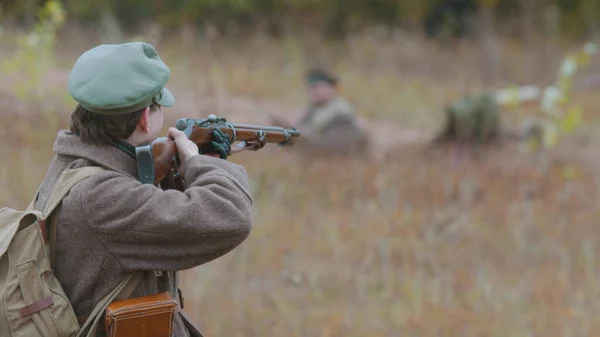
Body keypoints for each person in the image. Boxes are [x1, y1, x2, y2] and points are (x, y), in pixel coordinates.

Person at [31, 42, 253, 336]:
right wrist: (199, 164)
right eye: (159, 107)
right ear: (145, 118)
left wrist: (181, 169)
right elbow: (232, 215)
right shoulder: (102, 196)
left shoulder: (73, 164)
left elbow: (142, 207)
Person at [272, 68, 369, 156]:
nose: (314, 92)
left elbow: (329, 143)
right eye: (311, 88)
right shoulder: (313, 111)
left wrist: (298, 138)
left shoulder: (341, 112)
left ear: (331, 89)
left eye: (318, 87)